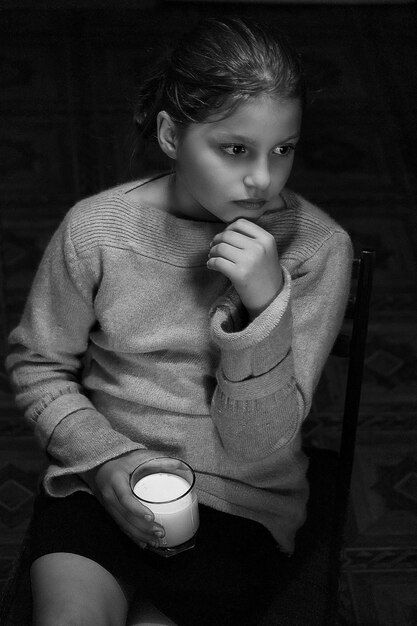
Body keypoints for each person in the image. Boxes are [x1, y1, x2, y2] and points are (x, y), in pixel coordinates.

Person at [6, 16, 353, 626]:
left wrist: (263, 305)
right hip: (102, 478)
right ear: (171, 134)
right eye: (235, 148)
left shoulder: (317, 248)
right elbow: (39, 366)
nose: (263, 179)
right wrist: (106, 461)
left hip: (241, 501)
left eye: (284, 149)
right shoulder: (95, 230)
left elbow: (258, 441)